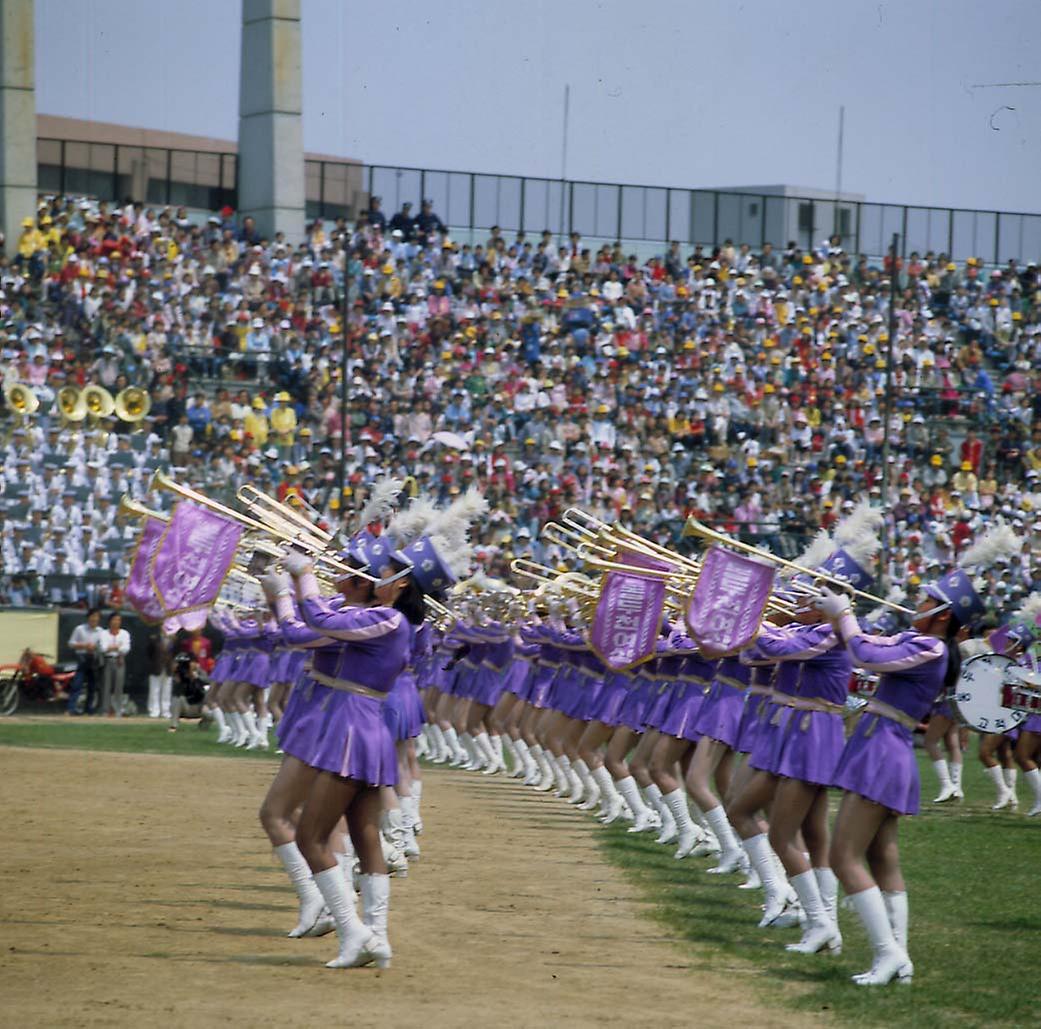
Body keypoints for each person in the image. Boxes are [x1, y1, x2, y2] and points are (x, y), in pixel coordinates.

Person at [66, 608, 104, 715]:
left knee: (92, 686)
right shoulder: (80, 629)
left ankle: (89, 708)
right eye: (92, 616)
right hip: (82, 657)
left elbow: (102, 646)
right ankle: (71, 708)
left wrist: (95, 647)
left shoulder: (101, 631)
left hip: (94, 658)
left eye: (97, 617)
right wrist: (84, 645)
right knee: (77, 684)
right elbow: (71, 643)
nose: (94, 619)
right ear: (88, 617)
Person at [100, 612, 132, 716]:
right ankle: (105, 710)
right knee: (106, 685)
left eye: (118, 620)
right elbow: (103, 648)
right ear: (110, 621)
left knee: (119, 686)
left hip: (120, 660)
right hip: (108, 660)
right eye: (114, 620)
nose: (116, 622)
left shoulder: (124, 633)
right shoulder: (104, 633)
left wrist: (114, 648)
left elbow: (126, 648)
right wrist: (117, 647)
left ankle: (118, 709)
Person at [146, 629, 174, 719]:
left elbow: (175, 653)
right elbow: (149, 652)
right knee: (155, 689)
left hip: (168, 667)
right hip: (156, 667)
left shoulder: (173, 639)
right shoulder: (154, 639)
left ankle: (165, 711)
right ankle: (154, 710)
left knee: (167, 689)